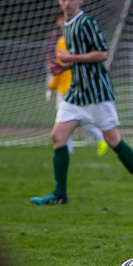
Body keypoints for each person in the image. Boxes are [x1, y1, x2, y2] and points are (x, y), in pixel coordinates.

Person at [31, 0, 133, 205]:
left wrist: (71, 59)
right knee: (57, 136)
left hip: (96, 93)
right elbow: (81, 59)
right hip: (76, 92)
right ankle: (60, 194)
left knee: (112, 141)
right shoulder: (67, 25)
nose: (67, 3)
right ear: (59, 1)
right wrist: (64, 67)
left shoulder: (86, 23)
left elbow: (101, 54)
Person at [46, 10, 108, 156]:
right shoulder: (66, 40)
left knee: (68, 119)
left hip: (72, 86)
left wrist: (51, 87)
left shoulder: (68, 41)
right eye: (61, 20)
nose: (62, 22)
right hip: (71, 85)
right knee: (76, 118)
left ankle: (94, 139)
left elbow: (66, 66)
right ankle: (72, 147)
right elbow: (60, 67)